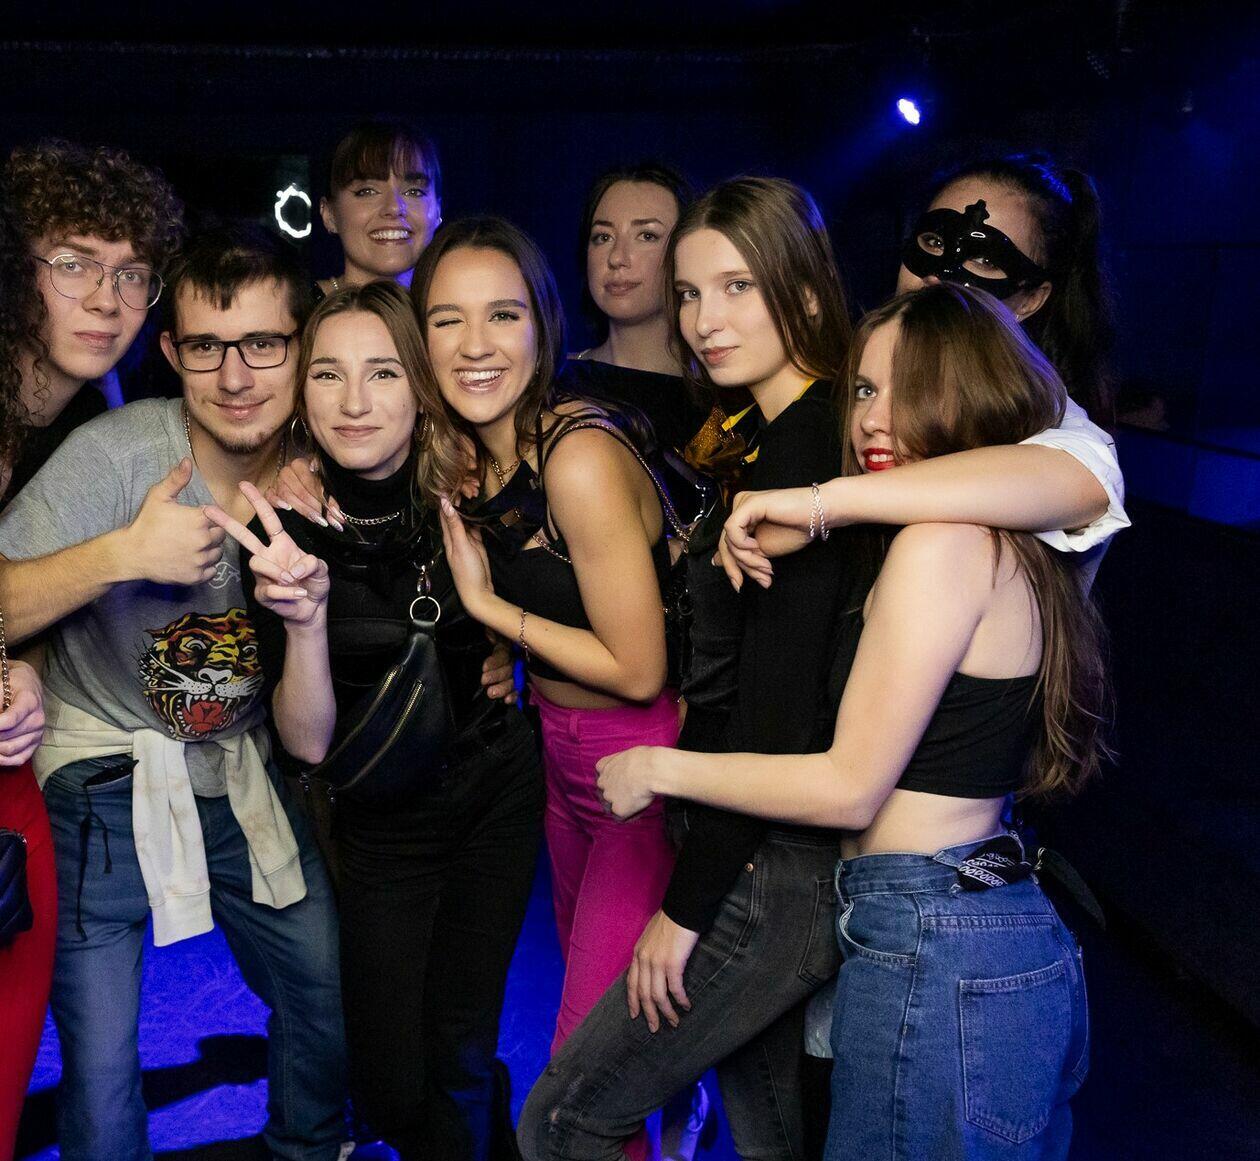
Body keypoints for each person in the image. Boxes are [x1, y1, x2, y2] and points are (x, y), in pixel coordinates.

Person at [517, 174, 1123, 1161]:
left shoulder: (945, 527)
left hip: (920, 917)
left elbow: (830, 767)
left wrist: (818, 504)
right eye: (866, 391)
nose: (873, 418)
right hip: (912, 907)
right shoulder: (936, 514)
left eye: (738, 287)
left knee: (568, 1118)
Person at [0, 224, 348, 1161]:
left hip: (240, 769)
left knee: (320, 984)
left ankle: (309, 1148)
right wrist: (122, 555)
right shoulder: (116, 455)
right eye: (205, 347)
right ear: (171, 350)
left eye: (263, 344)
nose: (234, 376)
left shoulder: (333, 454)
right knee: (103, 1062)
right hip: (101, 776)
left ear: (303, 346)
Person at [207, 281, 541, 1160]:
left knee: (460, 1045)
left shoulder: (474, 492)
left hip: (495, 793)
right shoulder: (279, 528)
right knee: (388, 1080)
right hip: (384, 824)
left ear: (421, 388)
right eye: (328, 374)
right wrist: (306, 622)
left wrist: (515, 653)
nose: (354, 401)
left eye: (383, 372)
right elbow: (307, 742)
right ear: (302, 394)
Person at [410, 217, 678, 1112]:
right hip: (559, 756)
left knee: (582, 1075)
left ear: (543, 325)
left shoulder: (578, 457)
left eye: (503, 315)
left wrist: (497, 615)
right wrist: (510, 654)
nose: (475, 345)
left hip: (638, 763)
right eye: (447, 319)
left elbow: (638, 668)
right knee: (616, 1053)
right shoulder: (477, 456)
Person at [1, 137, 184, 508]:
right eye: (72, 266)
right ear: (14, 270)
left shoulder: (90, 427)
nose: (106, 302)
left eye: (131, 275)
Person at [897, 151, 1115, 426]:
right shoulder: (855, 370)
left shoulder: (1046, 427)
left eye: (984, 260)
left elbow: (1081, 451)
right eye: (934, 242)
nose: (937, 277)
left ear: (1030, 300)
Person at [563, 162, 707, 454]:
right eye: (603, 237)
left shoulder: (725, 397)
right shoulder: (551, 383)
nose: (617, 258)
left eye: (647, 236)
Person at [316, 120, 443, 299]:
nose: (394, 207)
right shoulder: (296, 310)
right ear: (329, 214)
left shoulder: (455, 308)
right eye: (367, 191)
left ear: (437, 210)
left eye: (414, 192)